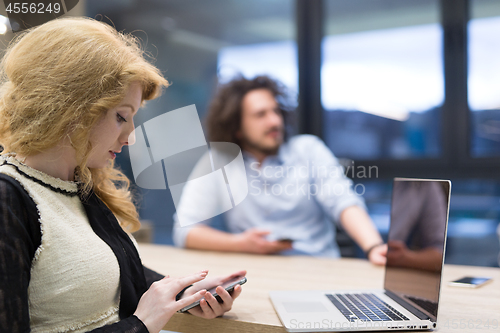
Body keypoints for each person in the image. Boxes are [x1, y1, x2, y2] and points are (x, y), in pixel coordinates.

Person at [0, 17, 244, 333]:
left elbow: (119, 271)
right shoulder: (8, 199)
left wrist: (183, 294)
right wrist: (141, 324)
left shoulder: (78, 184)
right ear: (72, 108)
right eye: (121, 117)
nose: (130, 137)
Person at [172, 75, 387, 264]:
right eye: (261, 115)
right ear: (236, 127)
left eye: (276, 111)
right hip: (256, 273)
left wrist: (374, 247)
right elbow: (185, 231)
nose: (275, 121)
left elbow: (344, 203)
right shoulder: (218, 161)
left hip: (318, 268)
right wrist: (241, 244)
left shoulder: (308, 149)